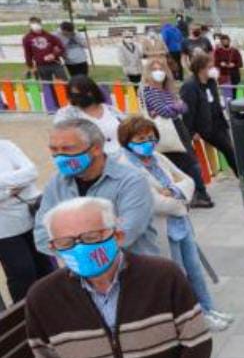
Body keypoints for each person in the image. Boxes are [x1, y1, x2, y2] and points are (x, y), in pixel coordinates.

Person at [25, 197, 233, 358]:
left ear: (117, 235)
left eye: (91, 237)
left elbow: (196, 344)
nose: (80, 248)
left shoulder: (163, 276)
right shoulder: (43, 298)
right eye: (66, 243)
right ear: (53, 249)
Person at [116, 116, 233, 331]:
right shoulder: (125, 167)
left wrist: (175, 192)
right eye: (140, 138)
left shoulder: (158, 158)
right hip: (160, 229)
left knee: (195, 270)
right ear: (127, 140)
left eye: (151, 137)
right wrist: (178, 200)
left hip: (181, 223)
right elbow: (153, 202)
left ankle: (207, 309)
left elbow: (187, 180)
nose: (147, 142)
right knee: (177, 275)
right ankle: (188, 318)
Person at [33, 119, 159, 257]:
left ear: (96, 148)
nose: (60, 157)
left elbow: (126, 234)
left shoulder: (131, 181)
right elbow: (42, 235)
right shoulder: (56, 183)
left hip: (131, 270)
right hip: (81, 275)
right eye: (54, 150)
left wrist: (67, 241)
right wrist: (97, 236)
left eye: (67, 149)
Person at [140, 56, 214, 208]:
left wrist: (175, 107)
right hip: (165, 132)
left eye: (161, 69)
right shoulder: (148, 90)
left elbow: (183, 107)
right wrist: (175, 106)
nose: (158, 72)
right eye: (154, 69)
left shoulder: (167, 89)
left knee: (188, 162)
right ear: (148, 72)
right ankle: (194, 193)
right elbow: (165, 111)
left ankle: (197, 193)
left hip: (177, 129)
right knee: (180, 163)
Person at [0, 139, 53, 303]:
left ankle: (56, 309)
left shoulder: (6, 146)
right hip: (5, 229)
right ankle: (25, 318)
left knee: (48, 268)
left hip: (32, 216)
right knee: (23, 274)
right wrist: (13, 186)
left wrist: (2, 187)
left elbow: (31, 172)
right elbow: (25, 177)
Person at [178, 52, 240, 177]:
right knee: (228, 149)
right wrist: (191, 131)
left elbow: (214, 102)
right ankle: (242, 176)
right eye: (209, 66)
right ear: (201, 68)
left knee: (231, 149)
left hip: (219, 122)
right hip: (206, 126)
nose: (213, 69)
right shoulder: (190, 86)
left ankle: (242, 174)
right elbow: (188, 111)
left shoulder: (211, 82)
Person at [53, 75, 126, 155]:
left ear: (94, 92)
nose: (81, 98)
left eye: (84, 93)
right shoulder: (66, 114)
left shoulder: (112, 110)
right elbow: (61, 137)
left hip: (122, 157)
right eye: (76, 95)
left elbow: (129, 130)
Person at [22, 17, 67, 81]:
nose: (35, 25)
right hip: (41, 66)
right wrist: (31, 66)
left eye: (37, 23)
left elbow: (61, 48)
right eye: (33, 24)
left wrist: (53, 55)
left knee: (63, 82)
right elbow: (28, 53)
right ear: (30, 25)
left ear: (40, 24)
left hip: (55, 63)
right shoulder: (27, 38)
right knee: (47, 86)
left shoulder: (50, 36)